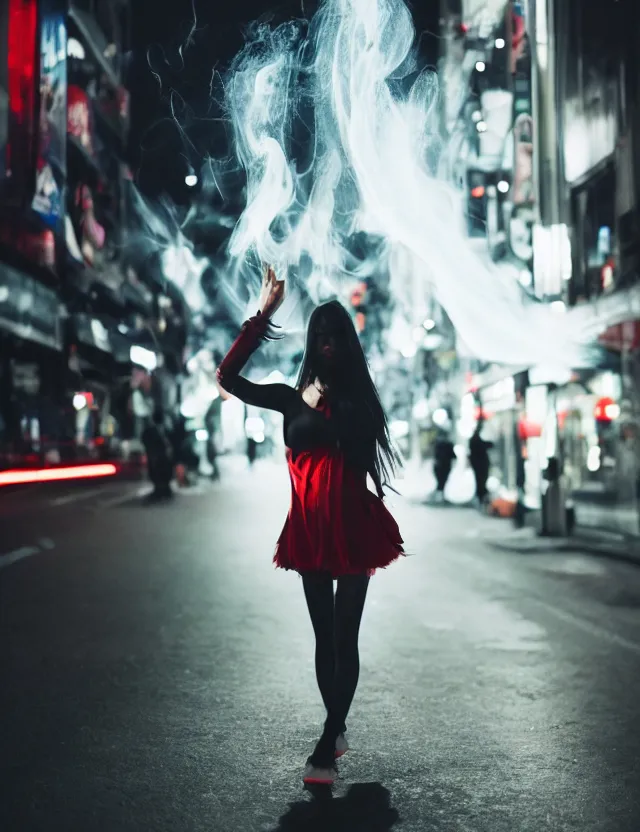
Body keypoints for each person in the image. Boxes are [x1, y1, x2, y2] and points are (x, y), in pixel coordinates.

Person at [216, 265, 405, 786]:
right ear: (310, 342)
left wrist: (334, 403)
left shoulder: (359, 402)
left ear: (345, 344)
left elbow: (358, 448)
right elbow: (227, 378)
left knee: (346, 636)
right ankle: (336, 725)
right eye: (318, 335)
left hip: (352, 527)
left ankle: (327, 739)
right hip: (307, 528)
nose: (326, 343)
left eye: (334, 336)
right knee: (325, 638)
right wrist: (262, 317)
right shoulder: (284, 398)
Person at [468, 420, 493, 505]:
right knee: (480, 481)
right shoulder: (475, 439)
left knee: (481, 481)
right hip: (479, 465)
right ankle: (481, 498)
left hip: (479, 464)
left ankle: (481, 497)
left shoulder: (475, 439)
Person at [433, 429, 456, 501]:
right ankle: (440, 496)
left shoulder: (439, 444)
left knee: (441, 482)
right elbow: (453, 456)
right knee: (442, 482)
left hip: (441, 467)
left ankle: (440, 496)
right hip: (444, 467)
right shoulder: (447, 445)